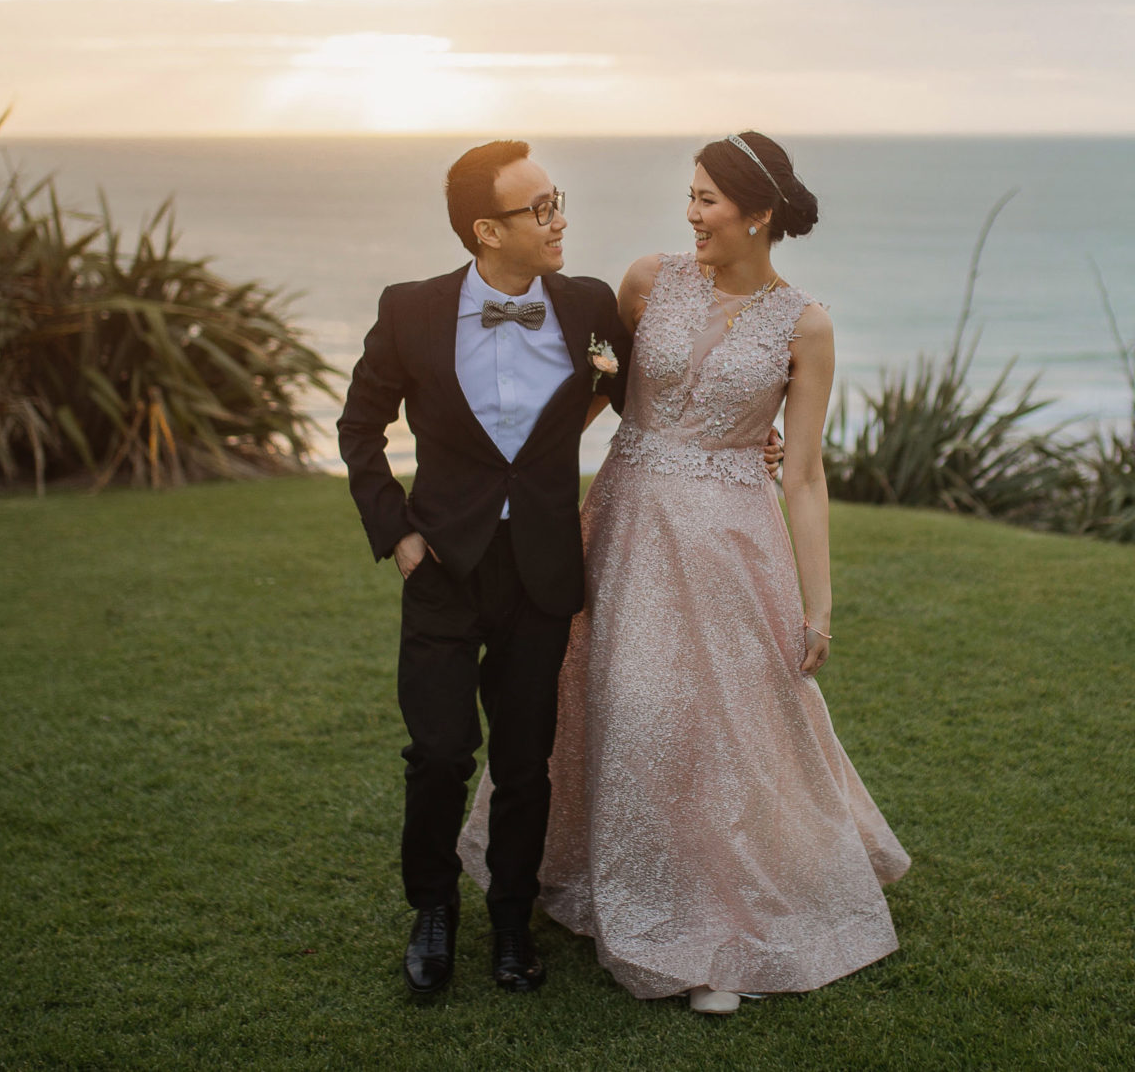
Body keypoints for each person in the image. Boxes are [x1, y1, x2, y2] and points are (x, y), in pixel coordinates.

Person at [461, 131, 910, 1015]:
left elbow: (806, 472)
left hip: (734, 543)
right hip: (629, 520)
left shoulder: (805, 324)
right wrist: (502, 476)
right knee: (629, 701)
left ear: (759, 213)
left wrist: (819, 606)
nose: (692, 213)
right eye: (691, 195)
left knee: (718, 723)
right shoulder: (645, 280)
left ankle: (714, 929)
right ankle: (611, 880)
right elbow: (595, 395)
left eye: (708, 199)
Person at [336, 140, 635, 999]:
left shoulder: (586, 306)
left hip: (540, 568)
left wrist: (756, 427)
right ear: (484, 230)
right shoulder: (411, 310)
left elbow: (646, 401)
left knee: (525, 760)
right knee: (437, 753)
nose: (559, 219)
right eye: (539, 209)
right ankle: (432, 911)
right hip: (442, 565)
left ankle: (511, 918)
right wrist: (396, 534)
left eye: (556, 200)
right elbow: (359, 429)